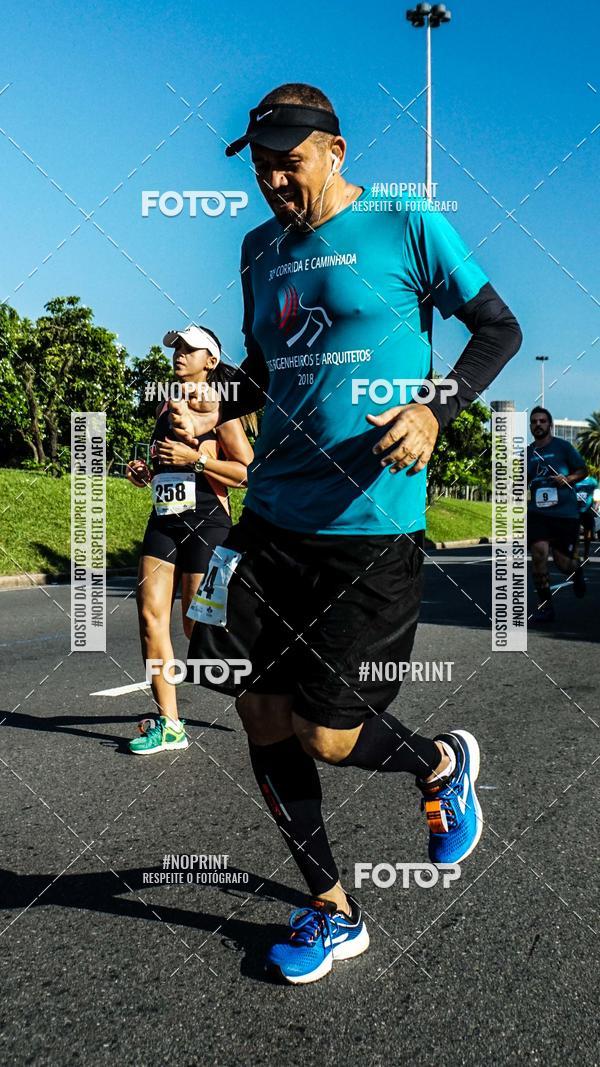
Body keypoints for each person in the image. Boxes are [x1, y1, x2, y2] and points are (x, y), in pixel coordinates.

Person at [171, 82, 522, 983]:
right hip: (269, 520)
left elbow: (497, 328)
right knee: (258, 710)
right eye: (259, 169)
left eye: (287, 164)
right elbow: (270, 369)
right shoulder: (259, 251)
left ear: (336, 150)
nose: (273, 183)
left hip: (370, 527)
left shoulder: (408, 224)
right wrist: (214, 407)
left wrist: (437, 409)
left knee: (329, 732)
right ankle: (331, 906)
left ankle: (440, 761)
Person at [126, 326, 253, 754]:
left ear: (210, 361)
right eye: (176, 348)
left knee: (197, 628)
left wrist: (195, 458)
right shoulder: (166, 403)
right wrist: (147, 472)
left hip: (207, 520)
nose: (178, 355)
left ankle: (261, 691)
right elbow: (168, 465)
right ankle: (170, 724)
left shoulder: (219, 409)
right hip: (163, 518)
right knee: (149, 617)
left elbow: (246, 471)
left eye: (188, 349)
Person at [527, 406, 587, 623]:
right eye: (534, 421)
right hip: (538, 514)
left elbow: (583, 470)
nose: (538, 425)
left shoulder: (563, 447)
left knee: (563, 564)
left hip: (565, 514)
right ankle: (545, 607)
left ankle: (576, 571)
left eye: (542, 421)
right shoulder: (527, 452)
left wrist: (568, 479)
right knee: (539, 554)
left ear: (549, 425)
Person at [575, 472, 599, 561]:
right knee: (575, 532)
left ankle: (586, 555)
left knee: (587, 533)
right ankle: (575, 554)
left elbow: (597, 494)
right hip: (575, 510)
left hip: (588, 510)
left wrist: (596, 506)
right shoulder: (574, 479)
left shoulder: (592, 481)